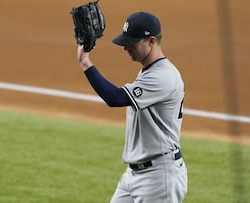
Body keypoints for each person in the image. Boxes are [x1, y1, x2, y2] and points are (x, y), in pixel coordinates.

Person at [77, 11, 187, 203]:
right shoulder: (149, 70)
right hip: (137, 173)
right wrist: (134, 166)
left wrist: (85, 62)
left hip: (159, 179)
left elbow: (115, 98)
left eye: (132, 42)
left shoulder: (163, 76)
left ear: (151, 41)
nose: (126, 47)